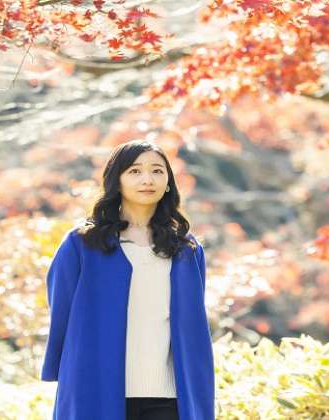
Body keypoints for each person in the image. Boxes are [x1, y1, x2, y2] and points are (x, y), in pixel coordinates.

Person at [40, 140, 215, 420]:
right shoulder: (82, 245)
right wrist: (61, 370)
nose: (147, 179)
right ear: (116, 180)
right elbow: (60, 309)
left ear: (168, 182)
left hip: (170, 397)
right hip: (97, 390)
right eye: (135, 171)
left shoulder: (186, 248)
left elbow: (192, 323)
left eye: (157, 171)